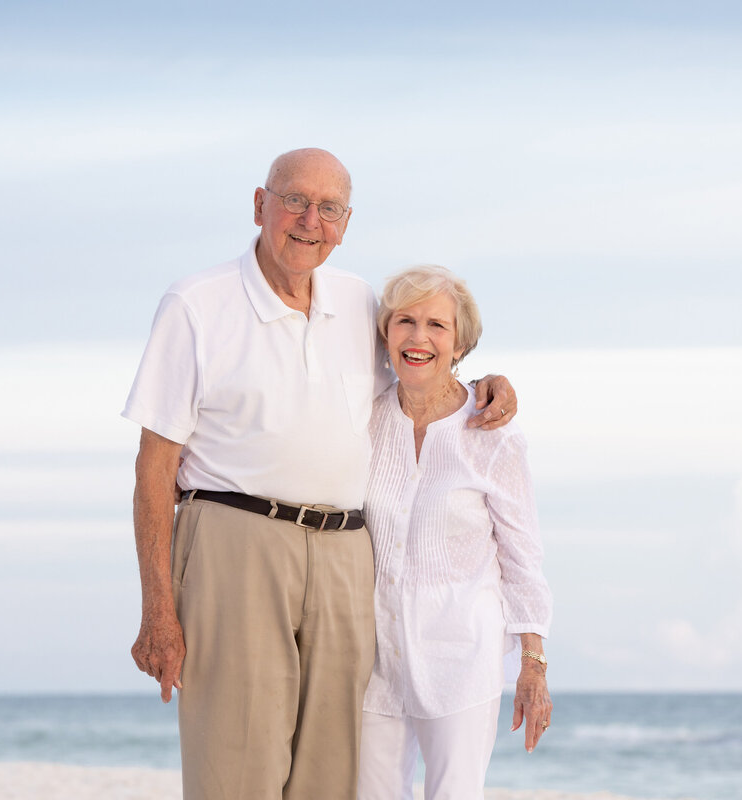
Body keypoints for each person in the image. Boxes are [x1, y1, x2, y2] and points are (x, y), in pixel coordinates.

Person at [122, 148, 517, 800]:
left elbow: (418, 376)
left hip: (345, 554)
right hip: (234, 540)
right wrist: (157, 611)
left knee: (333, 770)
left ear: (346, 222)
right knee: (236, 760)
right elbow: (153, 466)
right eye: (294, 201)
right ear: (259, 205)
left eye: (329, 208)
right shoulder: (196, 303)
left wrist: (482, 386)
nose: (311, 221)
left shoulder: (360, 301)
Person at [357, 266, 553, 800]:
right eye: (405, 321)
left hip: (463, 655)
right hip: (374, 655)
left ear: (460, 342)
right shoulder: (362, 420)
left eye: (436, 326)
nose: (419, 338)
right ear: (386, 334)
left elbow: (521, 556)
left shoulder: (492, 431)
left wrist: (532, 664)